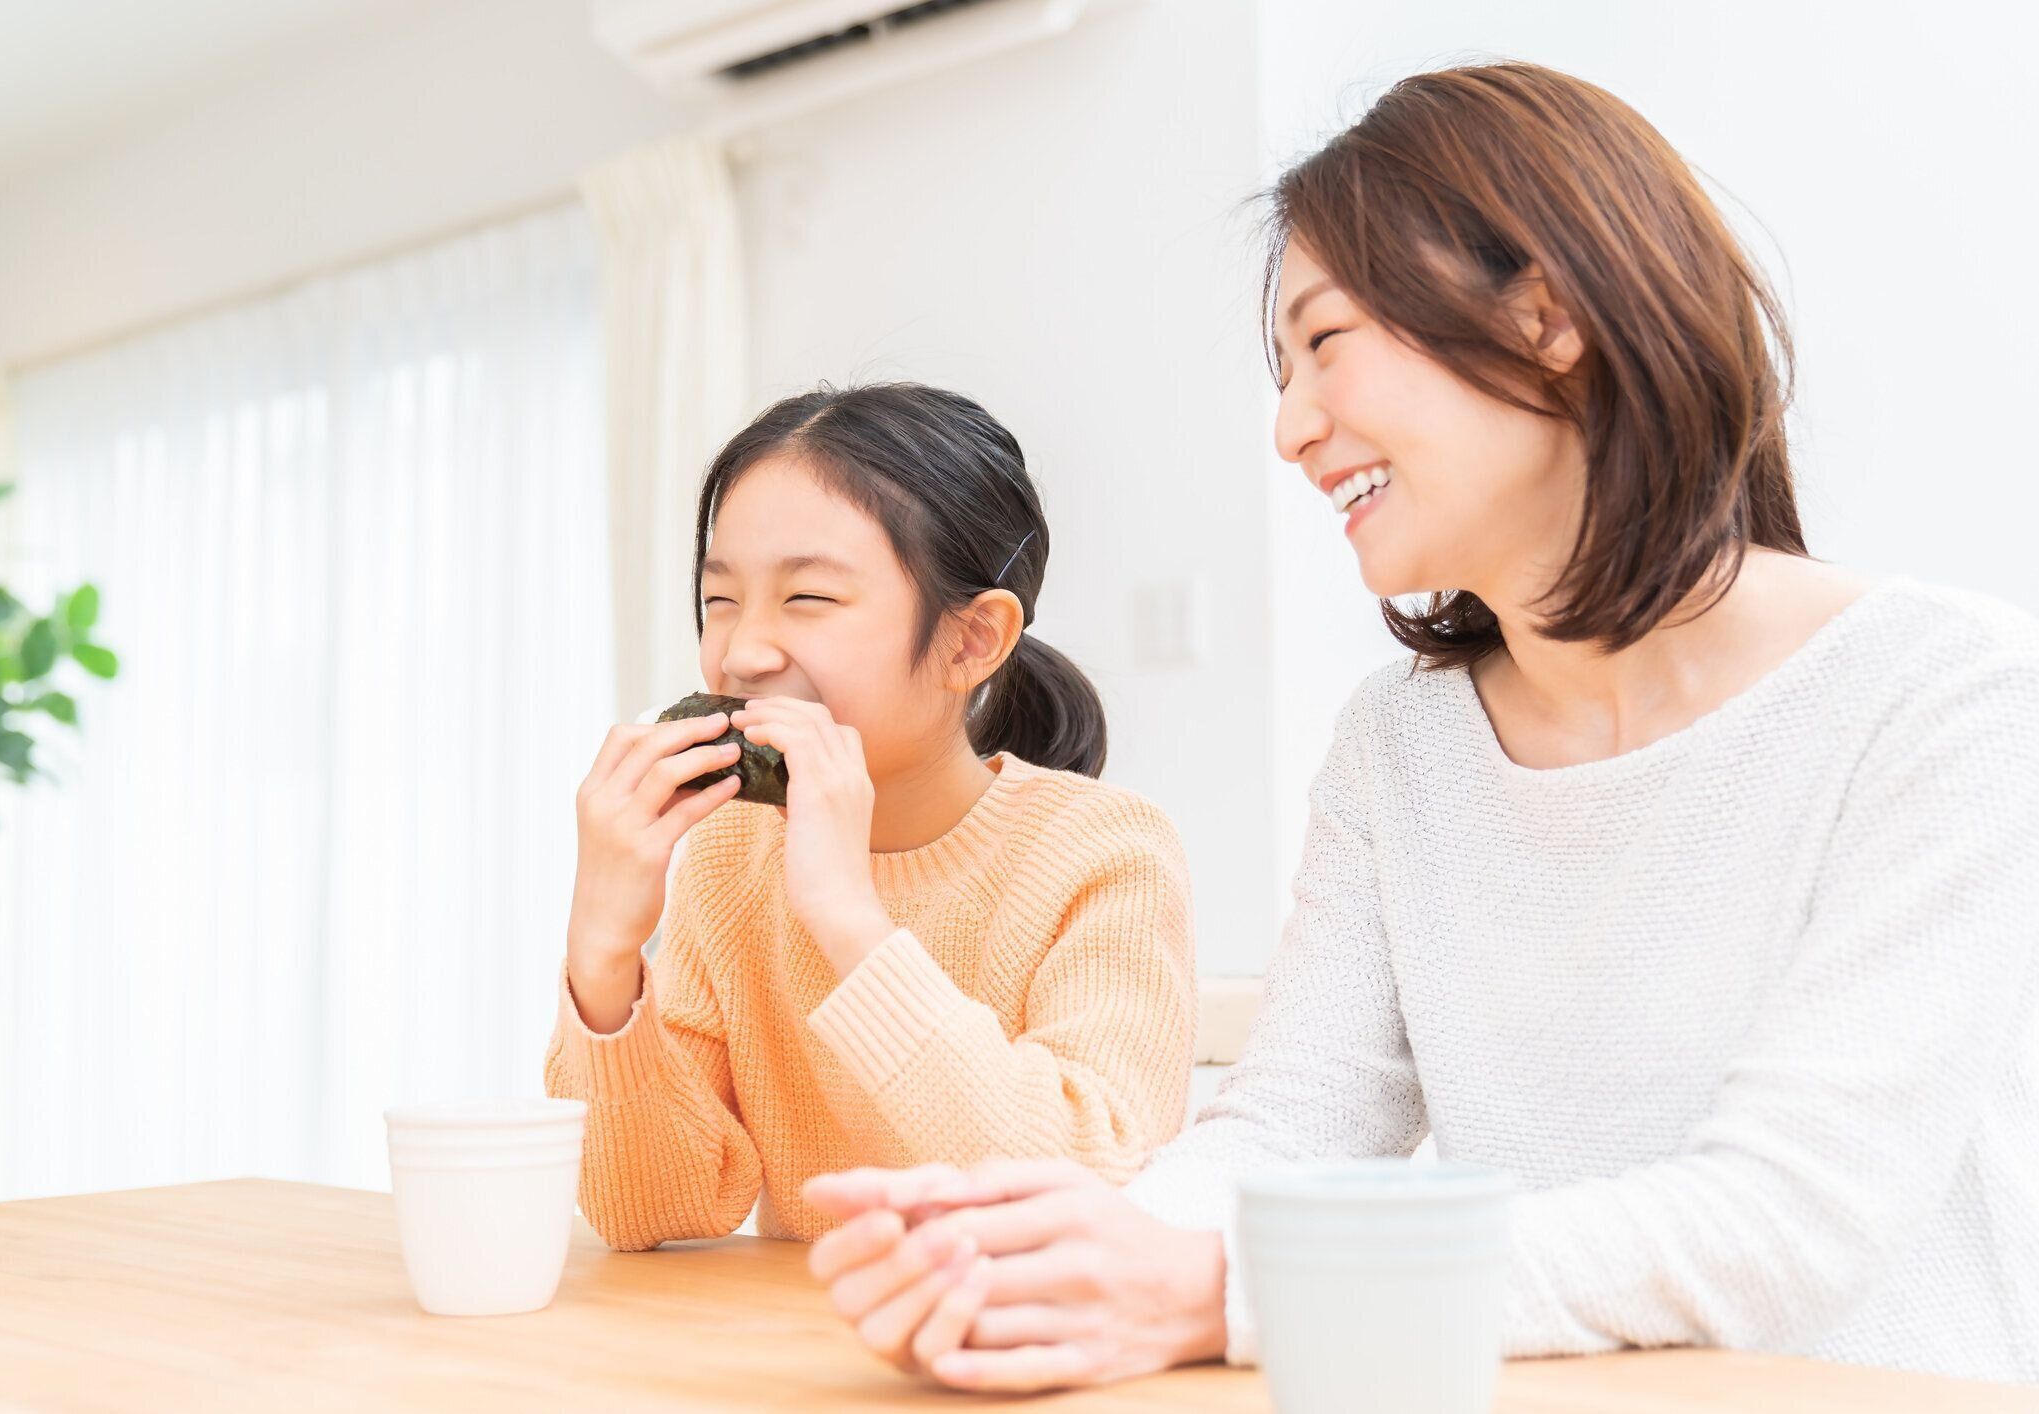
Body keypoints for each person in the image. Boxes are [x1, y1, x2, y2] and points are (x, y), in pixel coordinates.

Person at [801, 63, 2039, 1390]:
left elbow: (1789, 1217)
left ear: (1549, 314)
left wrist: (1228, 1288)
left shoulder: (1942, 689)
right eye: (1281, 372)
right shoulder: (1399, 746)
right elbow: (1291, 1124)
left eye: (1326, 343)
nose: (1289, 429)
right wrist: (1055, 1248)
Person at [545, 382, 1197, 1252]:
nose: (741, 652)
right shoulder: (732, 853)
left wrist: (848, 917)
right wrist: (603, 955)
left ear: (970, 640)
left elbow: (1084, 1185)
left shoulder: (1106, 852)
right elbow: (650, 1208)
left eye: (807, 599)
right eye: (720, 600)